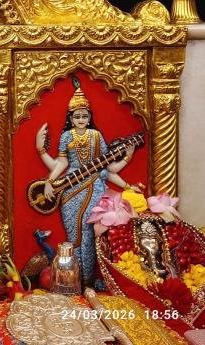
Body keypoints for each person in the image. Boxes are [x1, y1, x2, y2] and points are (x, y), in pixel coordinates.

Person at [35, 76, 136, 284]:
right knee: (74, 237)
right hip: (70, 190)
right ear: (71, 119)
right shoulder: (66, 137)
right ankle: (73, 281)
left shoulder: (96, 136)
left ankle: (88, 281)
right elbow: (61, 164)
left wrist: (128, 162)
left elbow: (108, 168)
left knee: (90, 234)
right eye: (77, 116)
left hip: (94, 187)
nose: (81, 119)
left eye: (84, 116)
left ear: (89, 117)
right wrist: (48, 181)